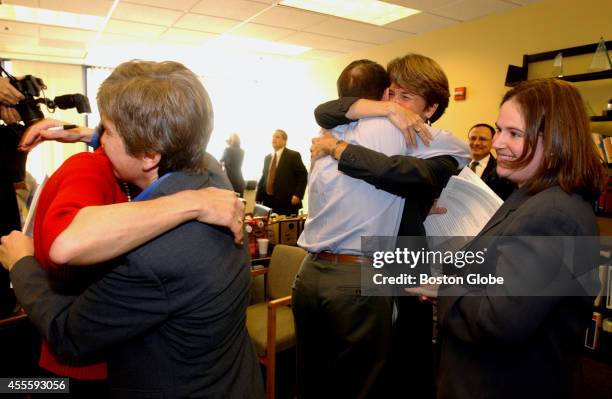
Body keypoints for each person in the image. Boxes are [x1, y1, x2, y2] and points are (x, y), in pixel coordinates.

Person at [1, 60, 263, 398]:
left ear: (149, 154)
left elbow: (67, 325)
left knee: (20, 387)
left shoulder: (152, 258)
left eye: (107, 130)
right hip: (232, 378)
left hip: (140, 380)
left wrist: (21, 262)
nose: (100, 139)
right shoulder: (208, 169)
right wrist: (83, 133)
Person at [409, 78, 605, 399]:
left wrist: (447, 287)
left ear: (556, 141)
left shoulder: (553, 213)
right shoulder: (533, 196)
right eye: (500, 129)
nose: (497, 142)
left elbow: (495, 322)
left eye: (514, 134)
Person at [303, 53, 469, 398]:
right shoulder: (377, 124)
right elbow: (325, 109)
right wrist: (380, 110)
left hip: (402, 273)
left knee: (399, 368)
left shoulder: (432, 144)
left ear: (431, 108)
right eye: (390, 94)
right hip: (363, 273)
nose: (394, 104)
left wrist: (338, 148)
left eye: (405, 97)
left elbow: (410, 175)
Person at [256, 129, 307, 216]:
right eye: (273, 137)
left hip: (287, 202)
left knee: (284, 229)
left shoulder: (293, 155)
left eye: (277, 137)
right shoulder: (267, 158)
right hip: (268, 201)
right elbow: (264, 177)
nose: (274, 139)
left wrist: (298, 195)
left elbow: (303, 176)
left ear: (285, 141)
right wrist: (258, 196)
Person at [466, 123, 516, 199]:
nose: (476, 143)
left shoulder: (503, 172)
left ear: (493, 142)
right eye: (472, 138)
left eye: (482, 139)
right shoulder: (458, 167)